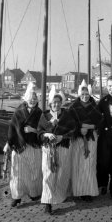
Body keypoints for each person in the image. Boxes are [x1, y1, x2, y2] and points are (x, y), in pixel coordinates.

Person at [3, 82, 42, 207]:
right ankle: (17, 196)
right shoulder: (19, 112)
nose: (33, 100)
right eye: (31, 98)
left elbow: (43, 130)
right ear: (26, 98)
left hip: (34, 145)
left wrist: (33, 130)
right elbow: (12, 129)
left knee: (34, 171)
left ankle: (34, 192)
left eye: (35, 98)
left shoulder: (40, 113)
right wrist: (8, 143)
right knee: (18, 173)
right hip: (19, 146)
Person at [38, 86, 76, 214]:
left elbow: (73, 131)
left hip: (63, 148)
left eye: (58, 102)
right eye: (54, 102)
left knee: (61, 174)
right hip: (48, 149)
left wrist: (62, 137)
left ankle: (59, 196)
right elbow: (39, 132)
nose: (56, 104)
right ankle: (48, 203)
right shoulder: (44, 116)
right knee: (48, 174)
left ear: (62, 103)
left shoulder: (67, 115)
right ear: (50, 103)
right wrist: (48, 134)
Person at [69, 80, 103, 202]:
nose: (85, 96)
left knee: (89, 164)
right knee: (78, 164)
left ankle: (88, 191)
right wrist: (79, 129)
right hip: (78, 139)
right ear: (79, 94)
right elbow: (70, 123)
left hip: (91, 138)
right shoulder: (73, 107)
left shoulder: (94, 105)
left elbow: (100, 121)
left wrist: (89, 127)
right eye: (82, 94)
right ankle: (78, 190)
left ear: (90, 94)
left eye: (87, 94)